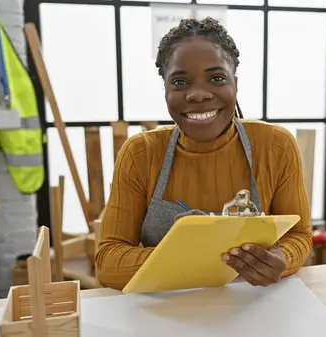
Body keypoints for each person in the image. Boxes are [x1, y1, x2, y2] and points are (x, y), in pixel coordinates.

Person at [95, 17, 313, 290]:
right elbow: (108, 261)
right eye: (181, 82)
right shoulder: (141, 153)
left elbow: (300, 235)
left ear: (236, 83)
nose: (198, 94)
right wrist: (188, 257)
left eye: (217, 78)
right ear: (165, 89)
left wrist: (282, 258)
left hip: (250, 306)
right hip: (169, 313)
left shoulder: (275, 146)